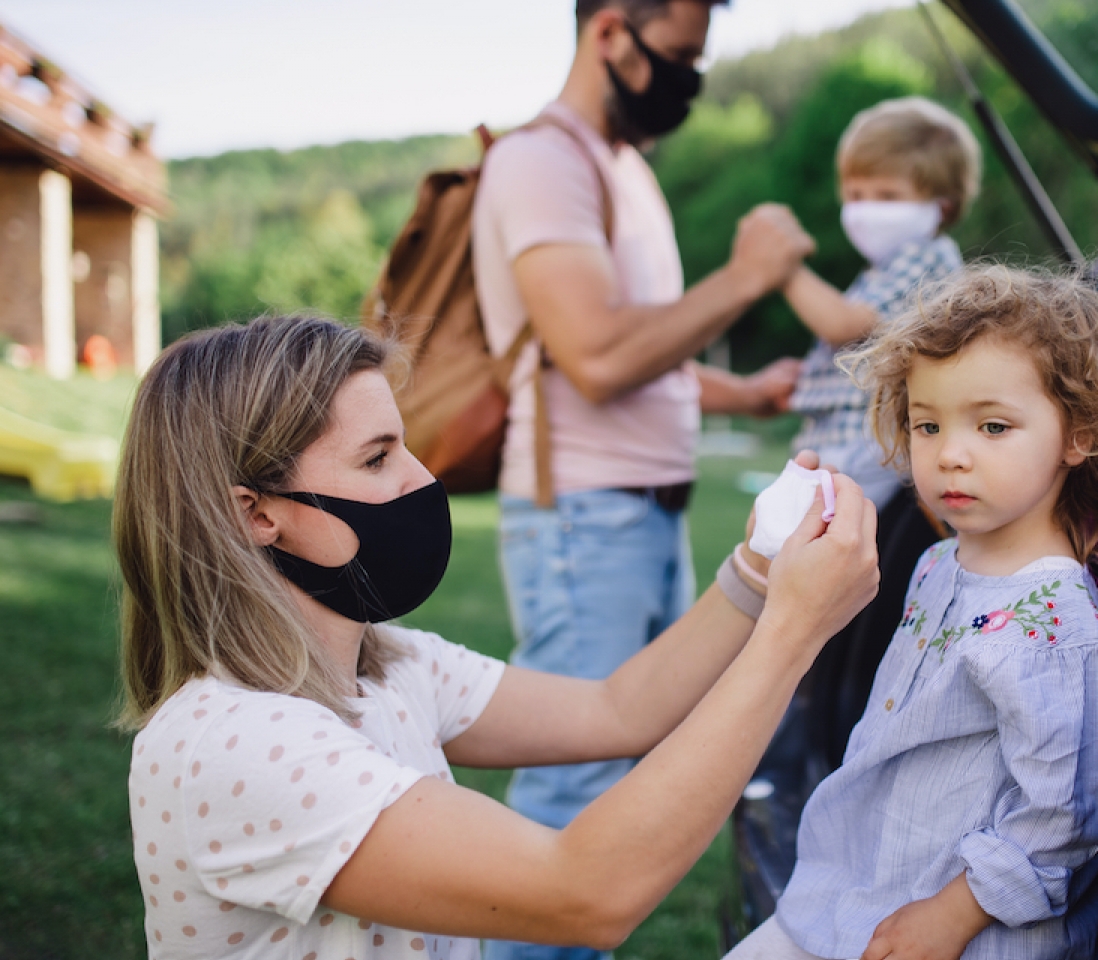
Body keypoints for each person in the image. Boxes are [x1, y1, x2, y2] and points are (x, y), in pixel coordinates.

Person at [116, 315, 878, 959]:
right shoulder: (236, 743)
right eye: (378, 457)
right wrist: (793, 636)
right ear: (256, 513)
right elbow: (584, 891)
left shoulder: (387, 665)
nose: (422, 478)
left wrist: (759, 569)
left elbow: (618, 711)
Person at [472, 9, 812, 951]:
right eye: (680, 57)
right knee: (574, 777)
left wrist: (743, 393)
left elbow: (644, 346)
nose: (689, 80)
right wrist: (745, 278)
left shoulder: (624, 168)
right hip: (586, 515)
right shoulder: (543, 161)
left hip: (639, 512)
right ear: (612, 34)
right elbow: (594, 353)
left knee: (623, 763)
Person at [725, 265, 1098, 960]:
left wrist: (951, 917)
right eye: (927, 425)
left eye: (992, 426)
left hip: (957, 934)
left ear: (1077, 434)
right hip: (858, 892)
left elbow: (1061, 819)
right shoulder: (937, 564)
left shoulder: (1053, 625)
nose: (951, 455)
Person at [784, 95, 978, 509]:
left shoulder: (925, 258)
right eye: (856, 195)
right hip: (839, 437)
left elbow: (843, 325)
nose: (866, 210)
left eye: (887, 196)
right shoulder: (886, 267)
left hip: (862, 441)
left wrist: (782, 268)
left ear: (941, 206)